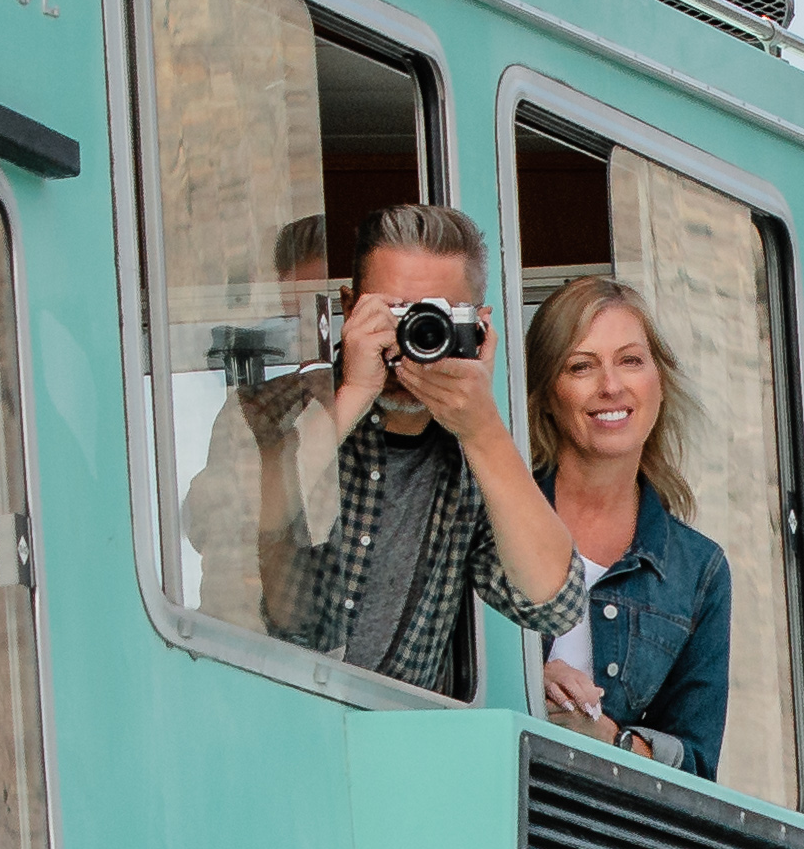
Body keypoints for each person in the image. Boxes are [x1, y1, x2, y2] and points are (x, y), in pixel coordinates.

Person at [193, 202, 577, 698]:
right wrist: (351, 394)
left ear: (478, 326)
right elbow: (229, 526)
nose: (412, 338)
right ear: (351, 307)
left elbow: (552, 605)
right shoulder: (263, 412)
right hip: (255, 716)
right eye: (393, 314)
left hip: (390, 750)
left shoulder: (478, 454)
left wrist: (482, 430)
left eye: (432, 318)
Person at [521, 275, 732, 776]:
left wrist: (610, 739)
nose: (610, 386)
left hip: (607, 843)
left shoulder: (699, 570)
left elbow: (698, 768)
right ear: (548, 393)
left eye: (631, 360)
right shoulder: (494, 521)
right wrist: (529, 684)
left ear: (659, 381)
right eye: (580, 366)